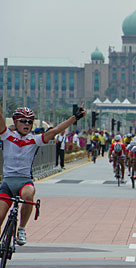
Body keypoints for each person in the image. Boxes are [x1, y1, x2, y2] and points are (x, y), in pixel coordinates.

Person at [0, 104, 86, 245]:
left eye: (30, 121)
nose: (27, 124)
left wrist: (75, 117)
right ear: (15, 122)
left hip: (24, 182)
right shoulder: (6, 135)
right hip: (7, 183)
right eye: (23, 121)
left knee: (29, 195)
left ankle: (21, 229)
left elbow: (57, 129)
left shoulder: (35, 139)